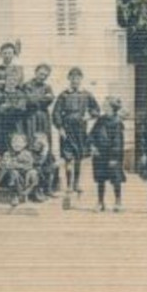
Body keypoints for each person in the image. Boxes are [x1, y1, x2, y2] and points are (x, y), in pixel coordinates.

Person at [51, 67, 99, 197]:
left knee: (78, 157)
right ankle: (68, 184)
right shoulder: (64, 95)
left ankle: (76, 183)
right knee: (68, 158)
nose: (75, 81)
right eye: (72, 78)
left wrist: (88, 116)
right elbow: (56, 113)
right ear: (69, 79)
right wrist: (60, 128)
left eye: (77, 78)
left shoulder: (86, 94)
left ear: (81, 79)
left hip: (80, 130)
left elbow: (96, 110)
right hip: (67, 130)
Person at [90, 98, 128, 213]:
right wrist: (92, 146)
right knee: (100, 179)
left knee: (115, 179)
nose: (104, 108)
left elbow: (118, 142)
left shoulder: (117, 123)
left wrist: (114, 158)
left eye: (107, 106)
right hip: (99, 154)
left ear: (113, 108)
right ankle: (100, 202)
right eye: (104, 106)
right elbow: (91, 134)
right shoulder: (100, 120)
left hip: (112, 155)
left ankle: (118, 202)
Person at [0, 132, 38, 207]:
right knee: (14, 173)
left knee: (33, 173)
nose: (16, 144)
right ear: (11, 143)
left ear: (25, 144)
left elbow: (29, 165)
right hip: (9, 179)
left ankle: (26, 193)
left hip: (23, 177)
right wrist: (17, 166)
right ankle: (15, 195)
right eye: (14, 142)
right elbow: (4, 165)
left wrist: (16, 165)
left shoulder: (27, 154)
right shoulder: (7, 154)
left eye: (19, 142)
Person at [30, 132, 59, 202]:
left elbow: (52, 160)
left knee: (51, 171)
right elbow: (34, 161)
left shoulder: (46, 152)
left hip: (45, 167)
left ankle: (48, 189)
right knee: (39, 173)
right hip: (36, 167)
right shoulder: (32, 151)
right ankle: (38, 192)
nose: (37, 145)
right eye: (36, 143)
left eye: (41, 143)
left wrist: (53, 164)